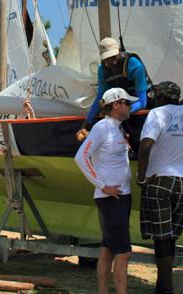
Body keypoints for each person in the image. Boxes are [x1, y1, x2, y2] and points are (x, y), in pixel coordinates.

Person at [136, 81, 183, 294]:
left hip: (159, 181)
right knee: (171, 235)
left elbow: (145, 145)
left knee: (162, 236)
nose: (154, 99)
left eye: (156, 96)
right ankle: (162, 285)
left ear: (162, 98)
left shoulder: (157, 114)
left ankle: (166, 287)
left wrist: (141, 176)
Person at [74, 87, 134, 294]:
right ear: (116, 104)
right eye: (127, 103)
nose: (131, 106)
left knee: (108, 249)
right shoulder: (102, 127)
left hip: (121, 196)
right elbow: (81, 156)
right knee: (124, 253)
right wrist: (102, 185)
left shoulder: (117, 128)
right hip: (111, 198)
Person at [77, 37, 149, 141]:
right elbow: (100, 97)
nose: (110, 62)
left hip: (140, 112)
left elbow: (142, 102)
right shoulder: (102, 70)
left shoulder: (134, 65)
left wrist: (117, 114)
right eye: (106, 59)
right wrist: (85, 125)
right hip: (122, 112)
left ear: (119, 51)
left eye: (113, 57)